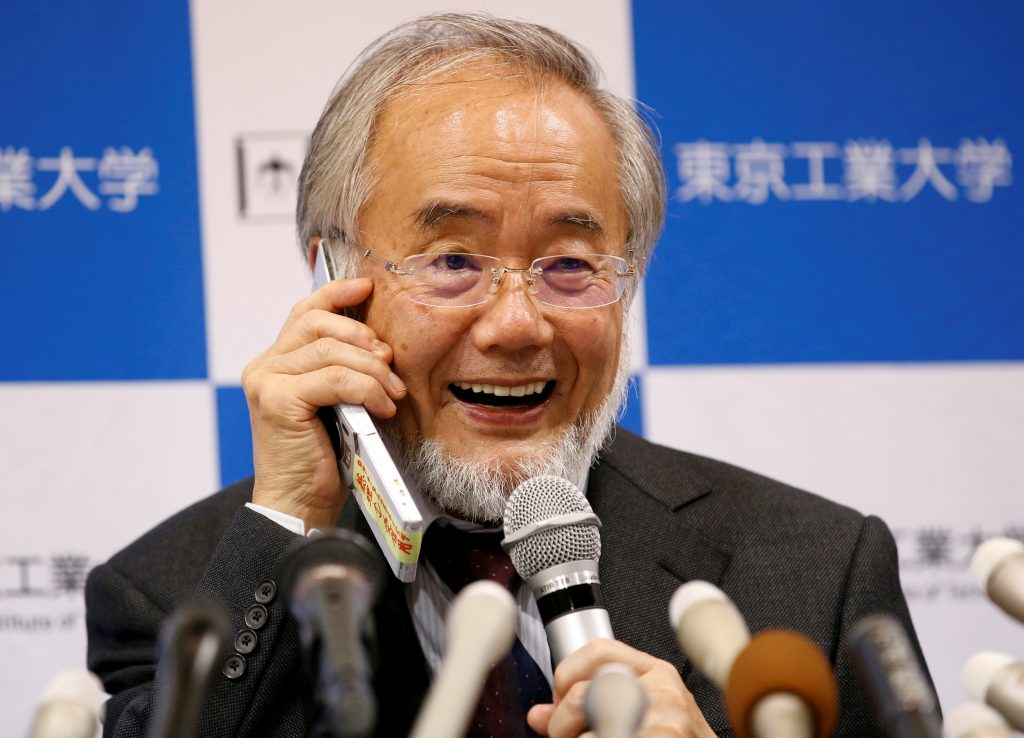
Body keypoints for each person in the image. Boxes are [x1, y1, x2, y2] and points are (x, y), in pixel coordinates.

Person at [86, 12, 929, 738]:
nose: (518, 324)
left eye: (570, 265)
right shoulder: (176, 594)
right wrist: (290, 519)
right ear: (330, 284)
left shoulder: (817, 573)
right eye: (453, 259)